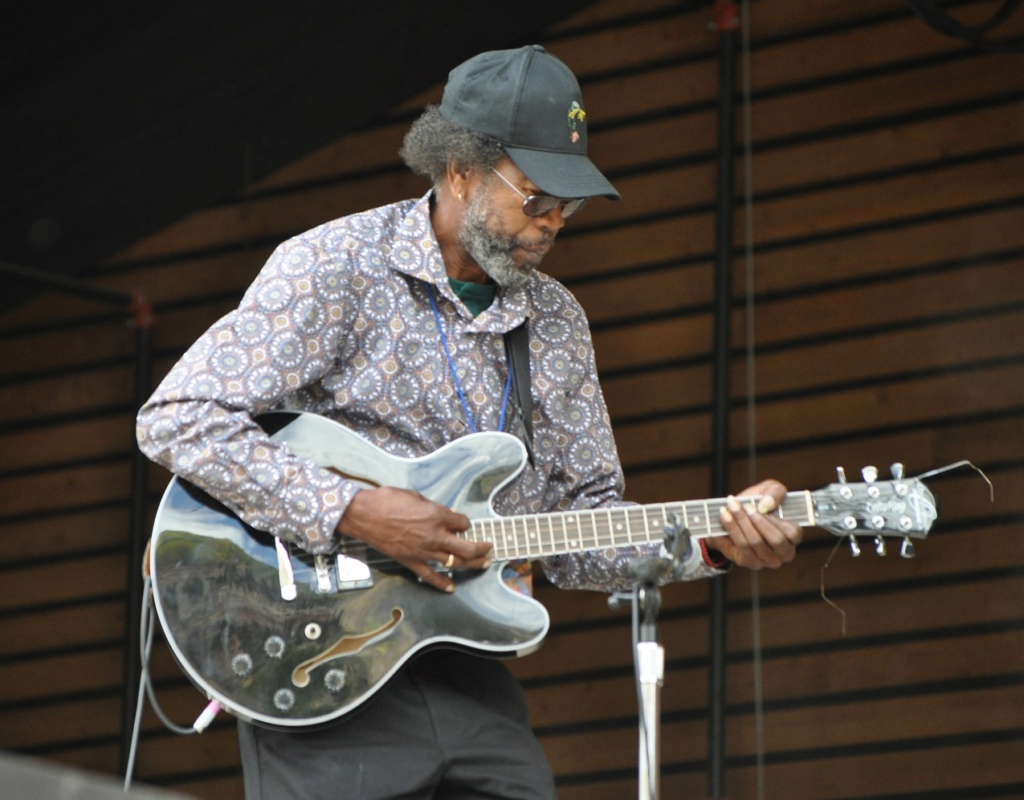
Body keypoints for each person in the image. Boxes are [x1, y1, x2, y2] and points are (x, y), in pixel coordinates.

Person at [137, 44, 802, 800]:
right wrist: (355, 511)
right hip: (320, 656)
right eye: (537, 197)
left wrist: (712, 542)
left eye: (569, 204)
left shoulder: (555, 321)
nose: (554, 222)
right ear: (458, 170)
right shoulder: (337, 264)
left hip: (468, 669)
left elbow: (583, 527)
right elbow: (177, 418)